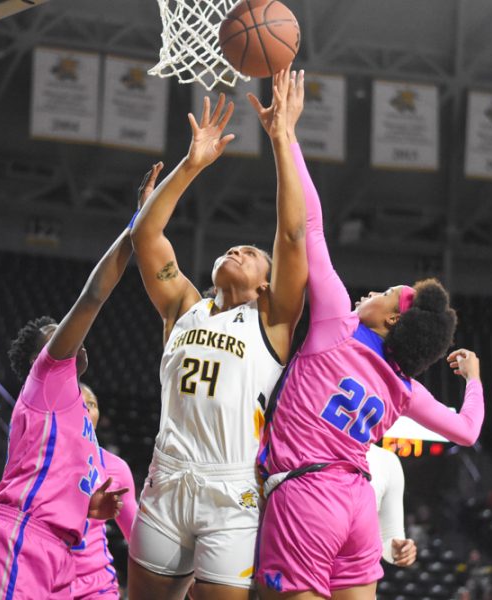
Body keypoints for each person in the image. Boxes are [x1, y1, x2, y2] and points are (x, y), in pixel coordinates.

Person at [254, 70, 485, 600]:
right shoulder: (402, 386)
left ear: (393, 319)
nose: (374, 293)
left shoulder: (339, 323)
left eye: (387, 292)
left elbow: (309, 225)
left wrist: (285, 136)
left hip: (306, 496)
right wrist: (473, 378)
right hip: (358, 505)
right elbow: (466, 432)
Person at [127, 72, 307, 600]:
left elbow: (293, 233)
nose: (238, 249)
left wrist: (282, 140)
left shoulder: (272, 322)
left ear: (268, 285)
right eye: (234, 247)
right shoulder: (183, 305)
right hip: (167, 477)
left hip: (231, 492)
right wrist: (192, 164)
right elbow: (146, 233)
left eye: (252, 252)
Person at [0, 163, 156, 600]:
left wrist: (87, 509)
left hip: (58, 553)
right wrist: (136, 228)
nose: (70, 335)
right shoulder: (46, 378)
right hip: (18, 542)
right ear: (37, 359)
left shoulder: (74, 416)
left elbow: (48, 479)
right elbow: (93, 296)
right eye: (57, 334)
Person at [71, 383, 137, 599]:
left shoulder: (116, 467)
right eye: (80, 403)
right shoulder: (41, 456)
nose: (87, 409)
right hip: (45, 578)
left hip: (95, 584)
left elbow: (136, 535)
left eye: (92, 404)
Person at [366, 444, 415, 568]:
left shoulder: (386, 460)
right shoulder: (311, 448)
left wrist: (399, 551)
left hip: (355, 570)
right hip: (311, 565)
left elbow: (390, 536)